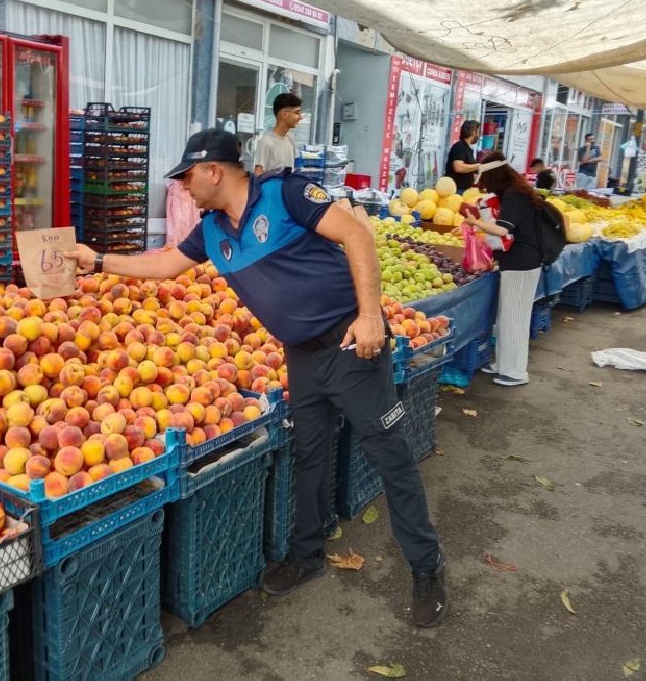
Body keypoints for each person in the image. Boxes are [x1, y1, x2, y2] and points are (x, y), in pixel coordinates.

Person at [66, 129, 448, 628]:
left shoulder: (287, 194)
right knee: (309, 454)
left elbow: (356, 234)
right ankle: (306, 556)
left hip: (352, 345)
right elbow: (163, 265)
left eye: (186, 176)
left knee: (389, 454)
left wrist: (371, 314)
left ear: (213, 170)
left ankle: (426, 567)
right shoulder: (211, 232)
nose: (182, 187)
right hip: (302, 357)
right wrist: (96, 260)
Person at [464, 150, 543, 387]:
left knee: (515, 317)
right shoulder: (513, 192)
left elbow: (502, 230)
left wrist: (475, 222)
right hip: (516, 262)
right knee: (506, 316)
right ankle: (503, 364)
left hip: (522, 263)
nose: (484, 186)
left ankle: (516, 372)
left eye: (485, 181)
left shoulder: (514, 195)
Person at [253, 93, 301, 175]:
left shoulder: (290, 139)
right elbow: (258, 174)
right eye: (297, 113)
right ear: (284, 115)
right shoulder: (266, 142)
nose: (300, 117)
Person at [447, 120, 482, 192]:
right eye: (478, 132)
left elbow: (468, 170)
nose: (479, 135)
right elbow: (458, 167)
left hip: (465, 190)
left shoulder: (468, 149)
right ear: (473, 132)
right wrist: (478, 166)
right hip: (456, 190)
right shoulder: (460, 146)